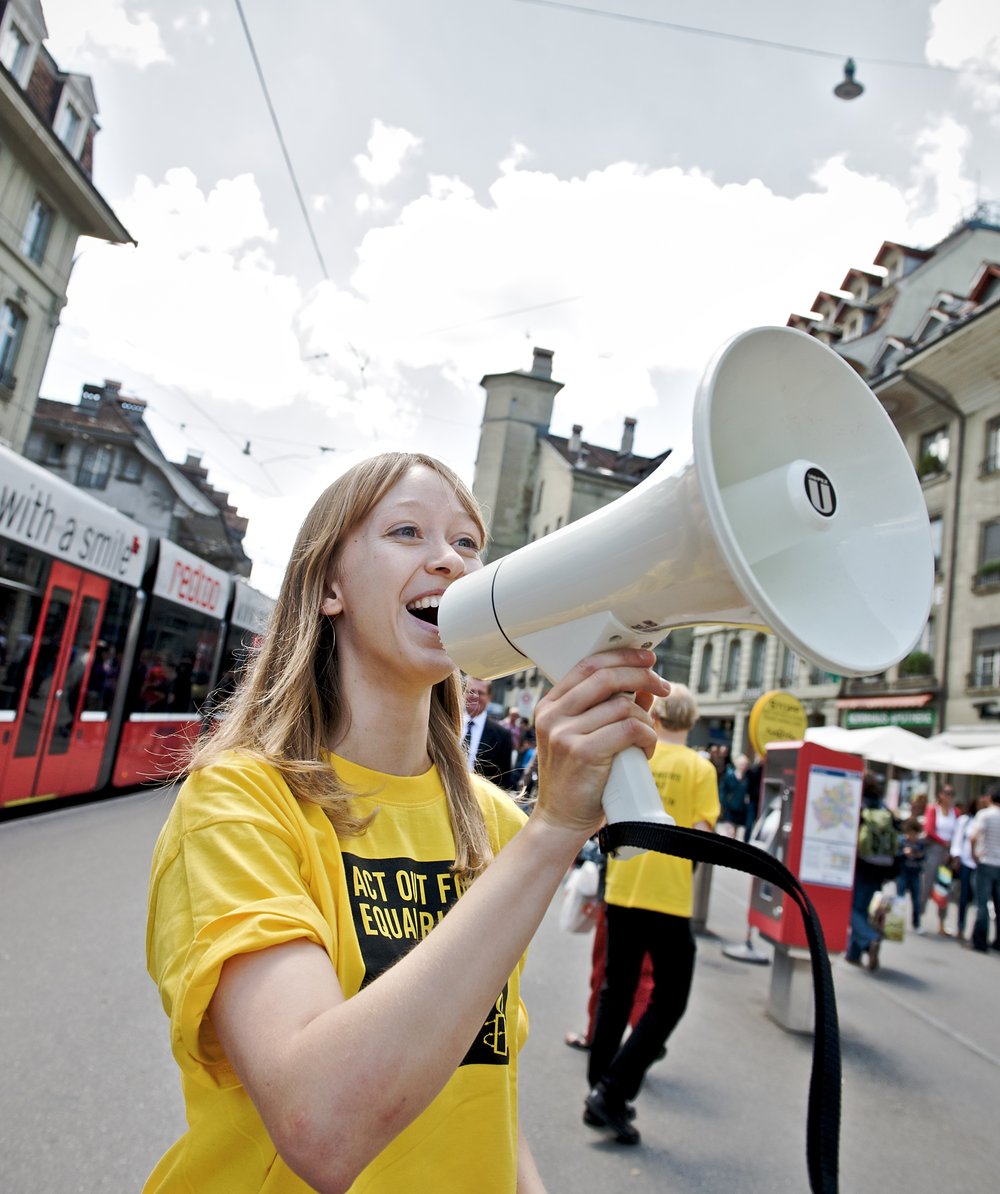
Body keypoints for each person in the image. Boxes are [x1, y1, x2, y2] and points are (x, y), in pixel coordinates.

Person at [144, 451, 669, 1193]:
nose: (450, 562)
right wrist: (555, 829)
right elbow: (320, 1127)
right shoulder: (238, 803)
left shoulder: (496, 822)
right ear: (329, 586)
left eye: (466, 544)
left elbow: (480, 1079)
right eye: (406, 533)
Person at [585, 683, 719, 1146]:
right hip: (669, 895)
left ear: (657, 718)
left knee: (615, 990)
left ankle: (599, 1084)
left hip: (624, 887)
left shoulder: (639, 758)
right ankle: (614, 1088)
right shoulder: (700, 768)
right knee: (671, 996)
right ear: (692, 721)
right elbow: (702, 833)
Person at [845, 772, 899, 972]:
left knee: (851, 909)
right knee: (862, 906)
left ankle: (869, 939)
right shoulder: (884, 808)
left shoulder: (860, 807)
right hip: (881, 866)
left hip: (861, 863)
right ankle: (854, 953)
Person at [463, 676, 517, 790]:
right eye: (471, 691)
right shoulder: (447, 723)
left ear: (489, 697)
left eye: (481, 693)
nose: (475, 696)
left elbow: (504, 781)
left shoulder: (502, 736)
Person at [921, 783, 958, 935]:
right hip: (934, 850)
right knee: (926, 884)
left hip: (947, 853)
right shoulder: (933, 809)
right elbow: (929, 829)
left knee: (944, 887)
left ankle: (941, 923)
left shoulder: (955, 812)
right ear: (940, 794)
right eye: (946, 793)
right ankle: (918, 917)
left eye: (951, 793)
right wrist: (943, 842)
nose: (949, 796)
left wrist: (953, 850)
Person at [968, 785, 1000, 953]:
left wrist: (974, 855)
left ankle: (980, 941)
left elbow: (973, 836)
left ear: (990, 797)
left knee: (982, 904)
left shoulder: (985, 815)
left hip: (986, 862)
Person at [950, 796, 982, 942]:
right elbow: (957, 839)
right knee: (964, 897)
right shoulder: (965, 820)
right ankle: (961, 927)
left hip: (982, 864)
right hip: (966, 862)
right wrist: (956, 857)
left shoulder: (983, 819)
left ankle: (977, 932)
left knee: (978, 899)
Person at [895, 818, 927, 934]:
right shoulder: (901, 841)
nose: (913, 836)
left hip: (915, 873)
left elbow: (924, 857)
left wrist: (919, 855)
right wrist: (904, 853)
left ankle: (916, 923)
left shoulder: (920, 843)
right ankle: (896, 923)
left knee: (916, 900)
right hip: (903, 872)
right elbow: (896, 856)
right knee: (899, 898)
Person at [718, 752, 749, 838]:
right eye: (742, 764)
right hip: (730, 809)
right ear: (737, 764)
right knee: (730, 833)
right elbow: (723, 791)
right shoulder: (729, 776)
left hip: (741, 810)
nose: (743, 766)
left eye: (745, 764)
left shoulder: (747, 778)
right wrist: (724, 803)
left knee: (738, 834)